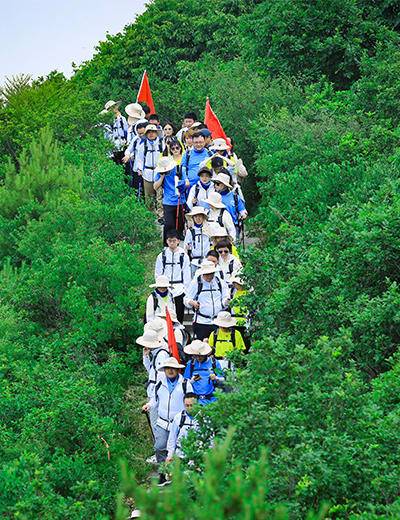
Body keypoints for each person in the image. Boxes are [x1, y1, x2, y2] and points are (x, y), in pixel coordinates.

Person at [142, 357, 192, 485]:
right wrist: (149, 405)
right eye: (167, 368)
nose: (170, 371)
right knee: (160, 447)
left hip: (179, 423)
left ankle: (180, 476)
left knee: (179, 449)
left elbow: (191, 401)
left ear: (177, 370)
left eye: (173, 368)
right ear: (164, 370)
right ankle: (162, 473)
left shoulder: (185, 384)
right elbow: (155, 400)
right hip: (163, 422)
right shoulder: (160, 383)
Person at [184, 262, 229, 340]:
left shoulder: (220, 282)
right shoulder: (196, 283)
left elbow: (225, 296)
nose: (209, 276)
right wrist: (192, 302)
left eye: (211, 274)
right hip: (201, 322)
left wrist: (225, 302)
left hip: (218, 321)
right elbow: (186, 299)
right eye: (206, 274)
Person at [136, 329, 169, 435]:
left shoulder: (161, 355)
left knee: (156, 421)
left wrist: (155, 396)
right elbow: (150, 370)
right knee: (154, 420)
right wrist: (145, 356)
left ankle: (160, 447)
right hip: (154, 391)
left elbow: (162, 376)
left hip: (156, 392)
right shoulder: (155, 354)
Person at [155, 229, 191, 323]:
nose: (172, 243)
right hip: (165, 288)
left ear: (178, 241)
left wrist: (186, 290)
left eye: (174, 240)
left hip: (179, 289)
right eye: (169, 241)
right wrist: (160, 286)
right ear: (166, 241)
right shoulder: (161, 256)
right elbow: (158, 273)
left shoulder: (183, 256)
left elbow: (187, 273)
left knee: (179, 315)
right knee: (164, 314)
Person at [154, 156, 186, 243]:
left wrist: (181, 184)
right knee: (168, 224)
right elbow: (155, 187)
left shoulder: (179, 169)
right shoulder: (160, 173)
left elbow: (186, 183)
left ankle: (179, 241)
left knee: (180, 224)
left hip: (180, 199)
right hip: (168, 201)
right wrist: (162, 177)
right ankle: (166, 243)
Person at [183, 340, 224, 405]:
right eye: (195, 355)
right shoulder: (190, 364)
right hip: (195, 402)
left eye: (200, 355)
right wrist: (192, 380)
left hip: (212, 400)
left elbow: (223, 379)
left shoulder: (214, 363)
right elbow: (184, 383)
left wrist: (216, 378)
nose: (198, 358)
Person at [212, 172, 248, 241]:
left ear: (224, 185)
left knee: (233, 246)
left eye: (217, 184)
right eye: (214, 183)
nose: (215, 186)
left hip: (234, 226)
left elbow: (243, 211)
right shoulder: (214, 197)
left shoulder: (235, 197)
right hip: (218, 226)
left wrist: (243, 215)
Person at [136, 124, 164, 209]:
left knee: (160, 196)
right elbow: (139, 158)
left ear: (156, 133)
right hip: (147, 173)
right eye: (149, 132)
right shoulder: (143, 145)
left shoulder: (161, 144)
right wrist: (140, 169)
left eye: (153, 132)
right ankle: (150, 216)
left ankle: (160, 215)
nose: (151, 134)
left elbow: (165, 157)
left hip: (159, 172)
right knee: (148, 196)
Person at [166, 393, 198, 462]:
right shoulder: (178, 417)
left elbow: (210, 439)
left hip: (197, 455)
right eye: (187, 405)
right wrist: (170, 455)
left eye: (192, 405)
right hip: (181, 455)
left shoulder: (204, 418)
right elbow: (172, 437)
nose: (189, 408)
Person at [184, 206, 211, 277]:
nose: (198, 218)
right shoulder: (190, 231)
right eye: (196, 216)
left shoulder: (209, 229)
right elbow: (186, 247)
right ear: (193, 218)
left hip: (207, 261)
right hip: (194, 261)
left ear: (203, 217)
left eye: (200, 216)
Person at [123, 120, 147, 194]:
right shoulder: (136, 139)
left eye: (142, 133)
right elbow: (129, 149)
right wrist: (127, 155)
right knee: (136, 189)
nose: (140, 135)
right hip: (136, 169)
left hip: (147, 170)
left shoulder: (151, 140)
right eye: (139, 133)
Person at [100, 99, 128, 164]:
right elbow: (106, 136)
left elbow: (126, 131)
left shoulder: (122, 118)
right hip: (113, 148)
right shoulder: (107, 121)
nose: (114, 109)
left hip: (123, 146)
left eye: (114, 106)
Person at [229, 274, 251, 351]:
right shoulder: (233, 292)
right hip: (234, 321)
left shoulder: (248, 293)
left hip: (244, 322)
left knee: (245, 342)